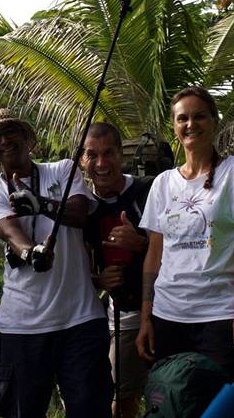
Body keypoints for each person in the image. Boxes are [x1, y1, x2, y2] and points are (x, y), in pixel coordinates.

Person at [0, 108, 112, 418]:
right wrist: (32, 253)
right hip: (22, 325)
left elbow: (80, 214)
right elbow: (11, 233)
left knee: (91, 410)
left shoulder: (62, 170)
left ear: (27, 138)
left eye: (12, 131)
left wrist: (42, 205)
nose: (5, 140)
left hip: (81, 320)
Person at [135, 87, 234, 384]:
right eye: (182, 119)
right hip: (168, 317)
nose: (190, 124)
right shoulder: (163, 184)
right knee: (173, 405)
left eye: (199, 116)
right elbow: (154, 256)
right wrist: (146, 318)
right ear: (175, 126)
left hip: (221, 317)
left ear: (214, 121)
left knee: (222, 406)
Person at [82, 122, 157, 418]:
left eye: (109, 153)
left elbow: (181, 247)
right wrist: (98, 280)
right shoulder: (83, 207)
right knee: (121, 401)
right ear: (81, 161)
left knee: (171, 393)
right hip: (122, 316)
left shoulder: (148, 190)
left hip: (167, 310)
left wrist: (141, 242)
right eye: (92, 155)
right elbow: (76, 265)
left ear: (121, 156)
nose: (101, 164)